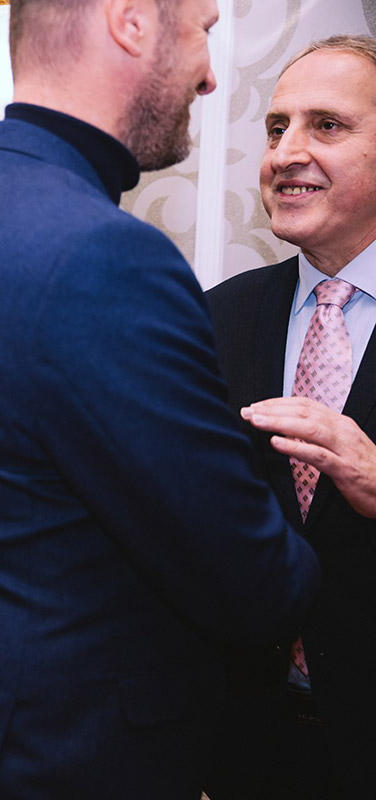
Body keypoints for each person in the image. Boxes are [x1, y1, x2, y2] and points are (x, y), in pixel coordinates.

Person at [0, 0, 321, 797]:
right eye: (203, 32)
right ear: (131, 23)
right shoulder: (105, 255)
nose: (210, 78)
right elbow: (249, 580)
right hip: (57, 757)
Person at [204, 35, 376, 800]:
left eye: (326, 126)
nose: (285, 153)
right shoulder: (216, 318)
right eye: (277, 128)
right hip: (244, 742)